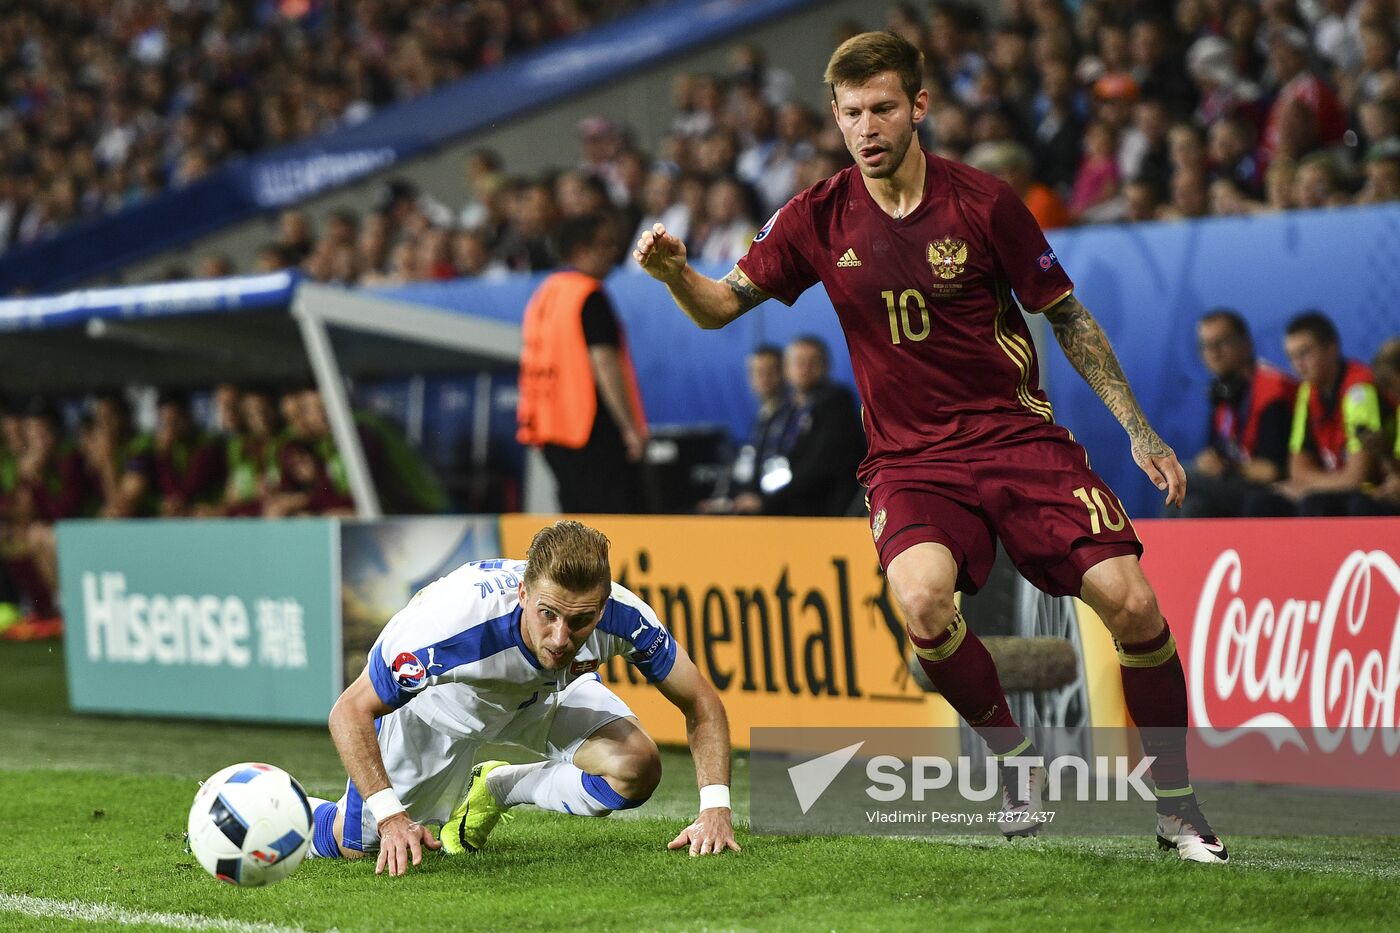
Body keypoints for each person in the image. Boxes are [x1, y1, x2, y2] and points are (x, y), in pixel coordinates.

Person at [635, 30, 1226, 863]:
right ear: (835, 119)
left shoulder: (984, 202)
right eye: (850, 114)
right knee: (920, 602)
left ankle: (1178, 806)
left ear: (919, 106)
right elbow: (721, 305)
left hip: (1018, 439)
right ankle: (1016, 763)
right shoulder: (815, 216)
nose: (866, 128)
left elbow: (1067, 314)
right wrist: (672, 275)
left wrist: (1137, 426)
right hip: (910, 461)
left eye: (882, 108)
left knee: (1131, 600)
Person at [307, 520, 737, 875]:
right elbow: (349, 711)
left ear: (603, 608)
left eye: (581, 621)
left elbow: (700, 702)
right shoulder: (448, 629)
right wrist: (390, 816)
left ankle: (499, 786)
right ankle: (279, 811)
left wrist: (715, 807)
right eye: (547, 615)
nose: (560, 638)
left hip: (540, 697)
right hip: (436, 711)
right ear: (523, 595)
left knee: (636, 769)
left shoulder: (626, 617)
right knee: (360, 845)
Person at [518, 213, 649, 513]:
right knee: (616, 527)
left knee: (576, 526)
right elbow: (604, 363)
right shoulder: (588, 296)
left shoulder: (544, 294)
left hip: (551, 429)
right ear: (580, 251)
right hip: (590, 429)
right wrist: (629, 427)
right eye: (604, 244)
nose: (613, 252)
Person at [1176, 309, 1297, 518]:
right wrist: (1210, 461)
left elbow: (1271, 471)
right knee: (1192, 507)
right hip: (1238, 485)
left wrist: (1226, 467)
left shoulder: (1272, 390)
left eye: (1221, 342)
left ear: (1246, 344)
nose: (1213, 353)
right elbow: (1216, 454)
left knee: (1182, 478)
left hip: (1272, 492)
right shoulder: (1223, 392)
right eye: (1205, 346)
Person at [728, 335, 864, 516]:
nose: (805, 368)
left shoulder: (836, 401)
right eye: (799, 362)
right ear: (786, 368)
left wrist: (765, 501)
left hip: (823, 510)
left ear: (826, 365)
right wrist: (752, 494)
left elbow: (818, 464)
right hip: (783, 504)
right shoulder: (784, 410)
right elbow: (766, 458)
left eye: (813, 362)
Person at [1275, 311, 1384, 516]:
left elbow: (1359, 477)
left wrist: (1308, 486)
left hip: (1376, 493)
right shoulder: (1307, 391)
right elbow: (1297, 470)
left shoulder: (1359, 390)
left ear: (1331, 348)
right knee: (1265, 501)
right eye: (1291, 357)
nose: (1298, 364)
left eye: (1305, 353)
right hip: (1337, 487)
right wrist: (1308, 484)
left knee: (1316, 503)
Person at [699, 344, 792, 513]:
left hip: (782, 510)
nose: (763, 378)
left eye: (769, 371)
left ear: (785, 373)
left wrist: (762, 500)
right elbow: (747, 469)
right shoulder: (762, 418)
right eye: (756, 372)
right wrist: (727, 499)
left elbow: (788, 470)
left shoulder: (793, 417)